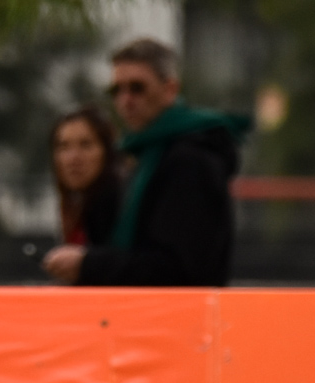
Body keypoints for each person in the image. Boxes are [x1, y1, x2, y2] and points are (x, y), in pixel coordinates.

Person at [43, 38, 250, 286]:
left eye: (137, 88)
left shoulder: (190, 161)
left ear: (170, 89)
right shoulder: (147, 156)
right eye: (116, 90)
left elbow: (177, 268)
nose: (125, 100)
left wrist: (88, 264)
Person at [50, 106, 121, 247]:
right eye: (64, 147)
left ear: (107, 152)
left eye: (86, 145)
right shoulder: (77, 206)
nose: (73, 158)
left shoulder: (117, 203)